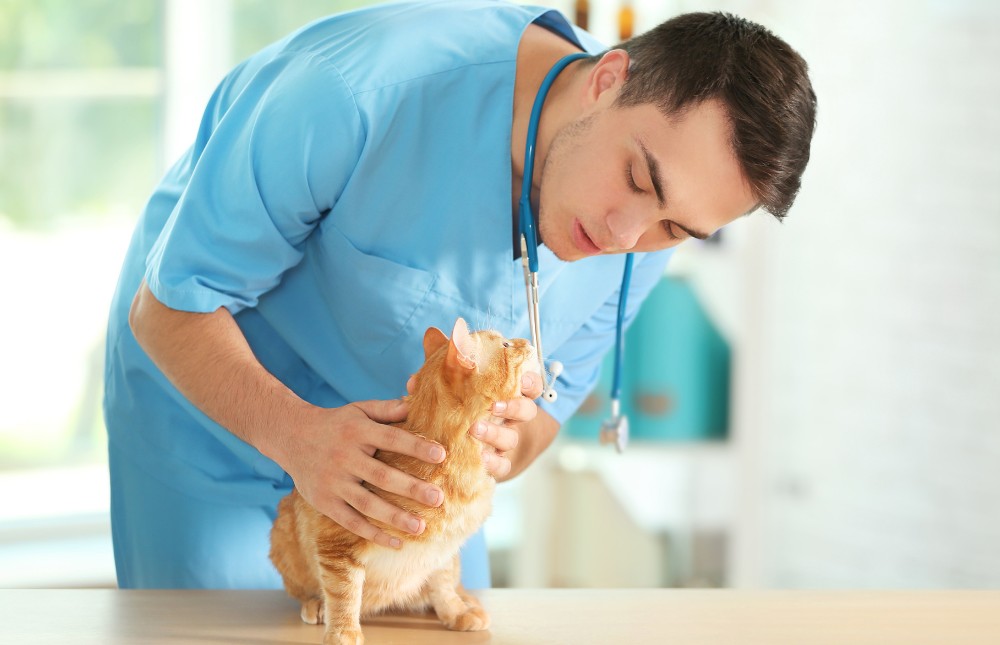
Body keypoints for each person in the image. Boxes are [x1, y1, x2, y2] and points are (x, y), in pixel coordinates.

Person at [104, 0, 816, 589]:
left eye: (675, 226)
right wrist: (298, 436)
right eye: (637, 178)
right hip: (212, 414)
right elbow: (167, 308)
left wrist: (512, 440)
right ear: (609, 79)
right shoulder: (356, 91)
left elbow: (546, 412)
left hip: (411, 479)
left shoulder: (651, 234)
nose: (626, 234)